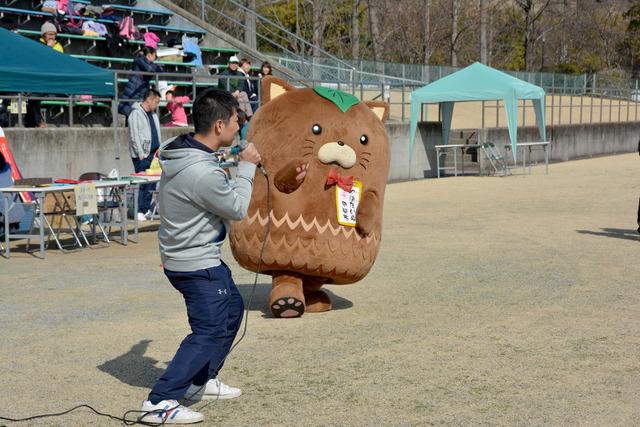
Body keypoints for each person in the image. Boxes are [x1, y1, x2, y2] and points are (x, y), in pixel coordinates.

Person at [139, 88, 261, 425]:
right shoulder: (201, 172)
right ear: (220, 125)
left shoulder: (185, 151)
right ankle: (160, 401)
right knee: (208, 331)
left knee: (232, 310)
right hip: (196, 264)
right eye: (238, 122)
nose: (240, 128)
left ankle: (199, 381)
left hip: (192, 257)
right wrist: (247, 167)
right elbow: (236, 208)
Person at [128, 89, 161, 221]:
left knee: (152, 182)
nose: (157, 105)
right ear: (150, 100)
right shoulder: (135, 114)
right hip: (142, 155)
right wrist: (140, 153)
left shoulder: (153, 115)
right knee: (142, 182)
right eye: (157, 102)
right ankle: (138, 210)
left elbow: (157, 133)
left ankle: (146, 208)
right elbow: (134, 135)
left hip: (154, 154)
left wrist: (160, 150)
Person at [25, 22, 64, 128]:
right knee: (34, 95)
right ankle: (37, 122)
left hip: (54, 79)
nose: (52, 37)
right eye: (49, 34)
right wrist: (48, 48)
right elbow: (40, 61)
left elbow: (60, 63)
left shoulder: (59, 46)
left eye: (53, 34)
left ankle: (36, 122)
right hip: (40, 79)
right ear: (43, 35)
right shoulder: (37, 44)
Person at [118, 47, 163, 118]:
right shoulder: (139, 59)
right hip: (135, 89)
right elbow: (150, 70)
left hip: (142, 89)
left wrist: (155, 67)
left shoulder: (149, 63)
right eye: (155, 56)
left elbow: (160, 70)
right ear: (149, 55)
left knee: (138, 113)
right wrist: (155, 67)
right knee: (132, 111)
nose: (156, 58)